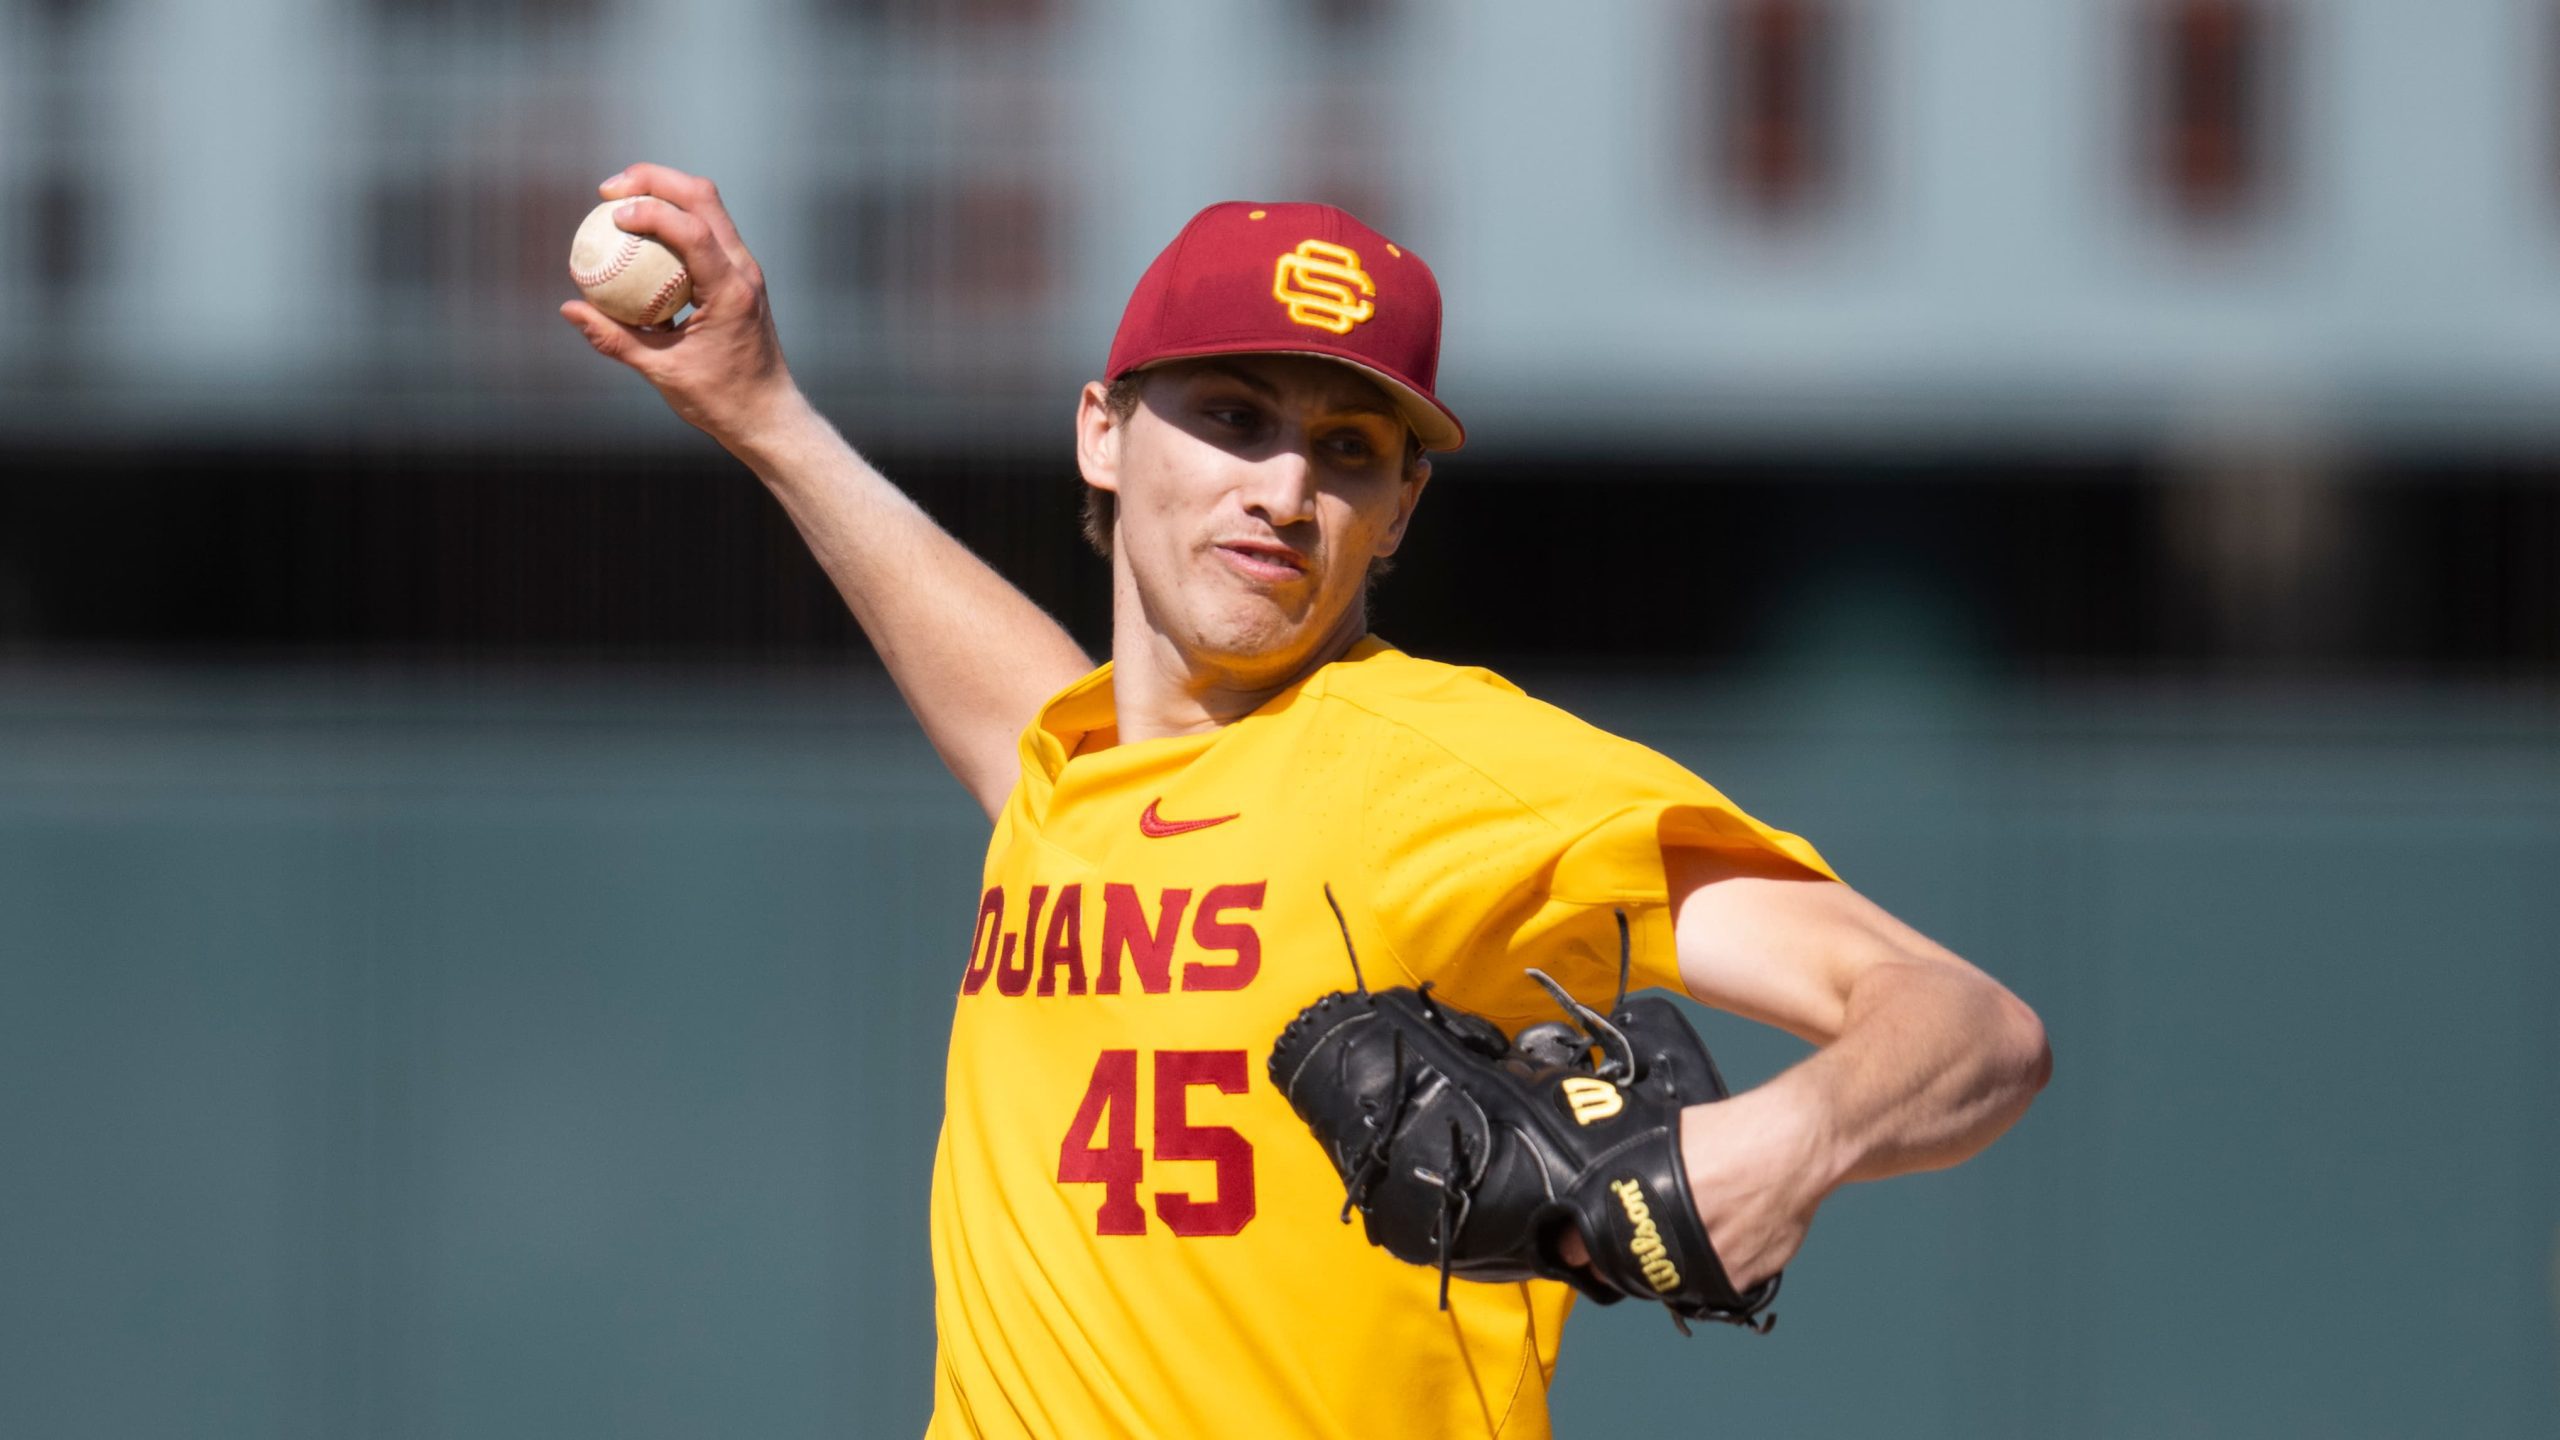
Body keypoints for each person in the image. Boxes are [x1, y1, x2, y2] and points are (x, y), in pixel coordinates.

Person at [563, 165, 2052, 1439]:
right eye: (1233, 414)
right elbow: (1019, 706)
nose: (1285, 486)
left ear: (1400, 511)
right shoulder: (1080, 765)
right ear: (1103, 433)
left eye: (1350, 450)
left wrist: (1794, 1141)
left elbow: (1968, 1021)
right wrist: (769, 418)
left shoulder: (1450, 768)